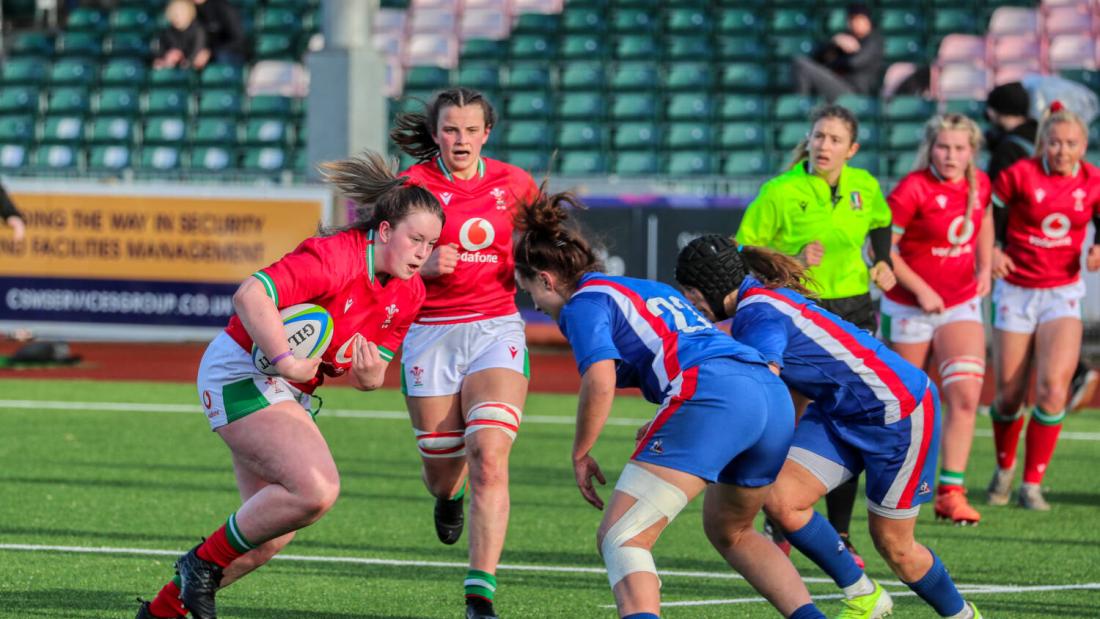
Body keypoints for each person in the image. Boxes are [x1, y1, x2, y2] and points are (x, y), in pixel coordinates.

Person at [134, 151, 444, 619]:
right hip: (239, 373)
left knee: (268, 535)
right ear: (384, 231)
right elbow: (249, 295)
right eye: (415, 239)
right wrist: (287, 360)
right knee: (315, 489)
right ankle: (197, 565)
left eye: (431, 243)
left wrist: (369, 376)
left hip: (285, 389)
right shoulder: (334, 257)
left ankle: (160, 614)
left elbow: (373, 371)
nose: (423, 252)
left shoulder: (411, 292)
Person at [514, 191, 827, 619]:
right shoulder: (644, 288)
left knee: (623, 537)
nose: (531, 302)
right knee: (733, 531)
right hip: (768, 397)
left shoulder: (583, 305)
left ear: (547, 280)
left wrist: (581, 451)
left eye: (528, 288)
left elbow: (600, 379)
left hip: (716, 395)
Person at [676, 235, 984, 619]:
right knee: (781, 501)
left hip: (898, 413)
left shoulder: (759, 314)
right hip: (842, 410)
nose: (692, 304)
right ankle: (864, 596)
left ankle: (962, 616)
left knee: (895, 547)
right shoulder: (756, 302)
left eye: (690, 294)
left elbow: (763, 386)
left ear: (702, 289)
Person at [389, 87, 538, 619]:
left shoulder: (514, 183)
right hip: (430, 332)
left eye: (471, 130)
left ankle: (480, 597)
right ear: (435, 134)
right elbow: (377, 258)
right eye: (451, 129)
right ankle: (447, 499)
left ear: (486, 134)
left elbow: (545, 241)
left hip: (496, 326)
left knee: (490, 460)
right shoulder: (411, 187)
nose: (461, 140)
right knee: (442, 473)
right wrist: (420, 267)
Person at [735, 103, 896, 566]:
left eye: (834, 139)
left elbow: (881, 222)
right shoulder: (780, 191)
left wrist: (881, 260)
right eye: (818, 136)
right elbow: (742, 248)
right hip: (801, 311)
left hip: (854, 310)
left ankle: (841, 532)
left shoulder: (864, 185)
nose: (824, 146)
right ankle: (775, 516)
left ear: (853, 149)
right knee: (786, 417)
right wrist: (792, 257)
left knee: (848, 417)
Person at [986, 102, 1100, 511]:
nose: (1063, 151)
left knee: (1053, 389)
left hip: (1061, 293)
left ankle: (1032, 483)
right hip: (1016, 291)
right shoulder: (1019, 175)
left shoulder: (1092, 180)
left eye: (1071, 144)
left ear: (1084, 145)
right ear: (1043, 144)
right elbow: (992, 212)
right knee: (1009, 395)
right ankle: (1003, 467)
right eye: (1055, 143)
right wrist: (995, 250)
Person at [882, 114, 993, 525]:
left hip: (960, 303)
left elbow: (983, 221)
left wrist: (985, 265)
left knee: (965, 393)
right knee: (906, 403)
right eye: (943, 147)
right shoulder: (912, 189)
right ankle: (894, 485)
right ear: (930, 148)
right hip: (908, 307)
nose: (951, 155)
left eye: (959, 148)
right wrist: (921, 289)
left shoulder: (979, 183)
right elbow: (882, 251)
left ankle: (951, 491)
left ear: (971, 152)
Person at [793, 2, 884, 101]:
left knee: (801, 64)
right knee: (801, 64)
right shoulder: (845, 37)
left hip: (855, 92)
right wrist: (833, 42)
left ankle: (801, 107)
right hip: (839, 85)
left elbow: (853, 63)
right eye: (852, 19)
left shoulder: (874, 40)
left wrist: (833, 64)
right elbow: (817, 58)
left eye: (860, 18)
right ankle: (803, 106)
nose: (856, 23)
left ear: (868, 20)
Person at [153, 0, 210, 70]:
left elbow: (196, 52)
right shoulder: (167, 31)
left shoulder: (198, 31)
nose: (177, 17)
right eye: (174, 14)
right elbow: (159, 48)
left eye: (180, 13)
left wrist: (186, 60)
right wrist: (166, 56)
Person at [193, 0, 246, 66]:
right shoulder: (188, 7)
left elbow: (238, 39)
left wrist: (210, 52)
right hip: (204, 52)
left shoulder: (223, 7)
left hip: (229, 54)